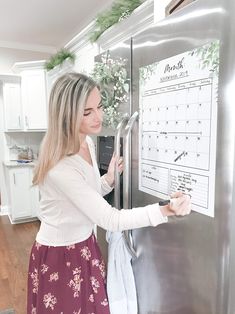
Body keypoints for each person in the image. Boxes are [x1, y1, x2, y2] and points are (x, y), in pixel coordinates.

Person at [27, 72, 191, 314]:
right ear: (66, 115)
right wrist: (164, 209)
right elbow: (110, 219)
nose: (99, 117)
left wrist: (109, 180)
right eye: (87, 112)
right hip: (60, 257)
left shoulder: (86, 143)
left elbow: (85, 197)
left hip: (85, 246)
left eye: (100, 106)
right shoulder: (60, 164)